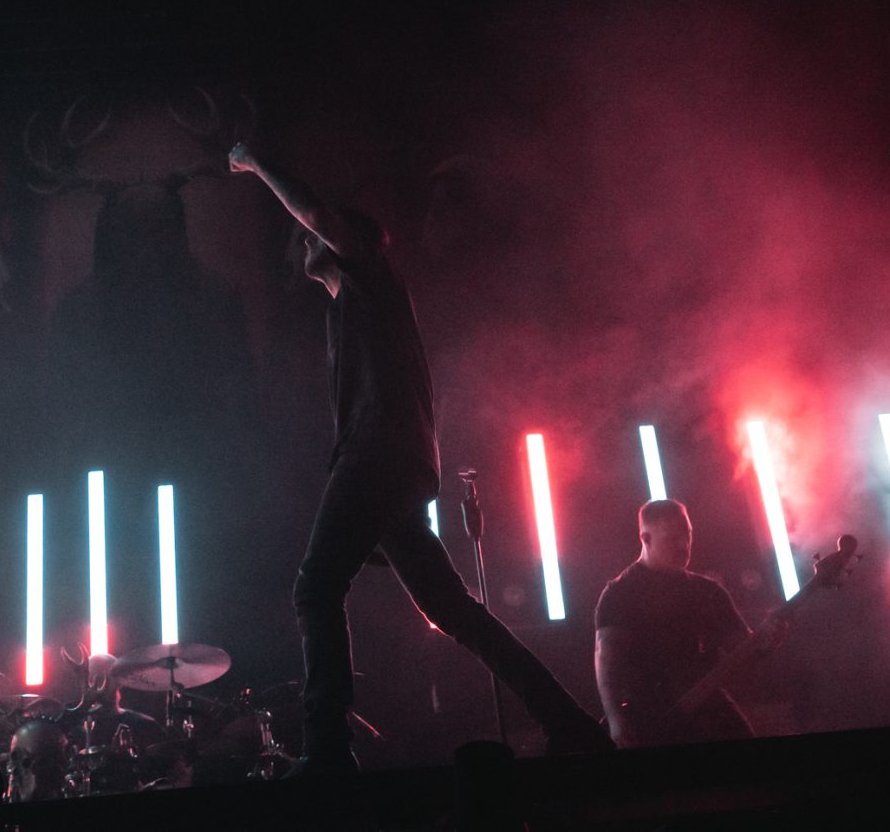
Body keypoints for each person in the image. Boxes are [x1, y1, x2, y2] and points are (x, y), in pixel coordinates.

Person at [229, 141, 612, 776]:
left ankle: (328, 751)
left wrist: (257, 161)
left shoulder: (370, 275)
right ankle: (567, 722)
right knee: (453, 611)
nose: (303, 242)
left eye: (310, 236)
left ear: (348, 241)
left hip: (377, 456)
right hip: (392, 465)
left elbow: (315, 212)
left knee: (316, 587)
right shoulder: (349, 309)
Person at [594, 499, 759, 748]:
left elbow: (745, 649)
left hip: (705, 704)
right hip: (648, 713)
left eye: (687, 534)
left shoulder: (708, 591)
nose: (684, 545)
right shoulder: (620, 593)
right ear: (645, 539)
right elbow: (607, 662)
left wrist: (767, 642)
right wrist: (616, 720)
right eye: (672, 538)